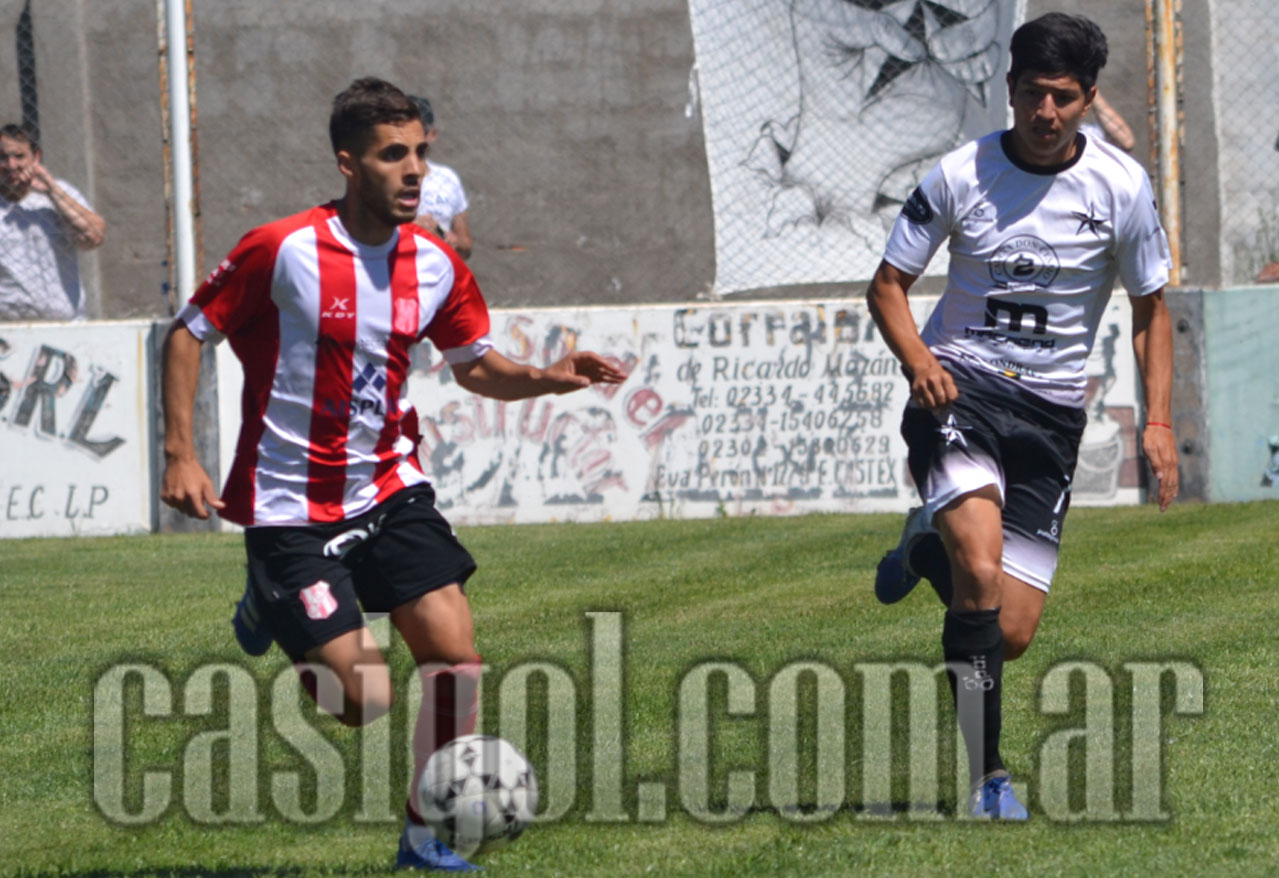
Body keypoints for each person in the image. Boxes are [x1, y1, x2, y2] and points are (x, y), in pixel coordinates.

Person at [160, 77, 626, 870]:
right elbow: (188, 331)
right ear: (348, 163)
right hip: (290, 507)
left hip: (388, 488)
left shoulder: (434, 263)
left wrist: (547, 377)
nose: (414, 171)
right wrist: (181, 452)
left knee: (455, 658)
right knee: (363, 700)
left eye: (419, 153)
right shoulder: (282, 249)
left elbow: (474, 365)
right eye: (391, 155)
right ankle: (273, 604)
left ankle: (421, 839)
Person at [866, 13, 1179, 820]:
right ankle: (988, 780)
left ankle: (924, 549)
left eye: (1063, 97)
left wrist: (1157, 421)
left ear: (1088, 98)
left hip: (1049, 417)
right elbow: (888, 287)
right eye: (1033, 93)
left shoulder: (1120, 187)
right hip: (958, 391)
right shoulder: (959, 174)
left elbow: (1150, 308)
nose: (1045, 112)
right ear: (1008, 89)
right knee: (979, 572)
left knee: (1006, 632)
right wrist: (920, 362)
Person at [0, 123, 106, 320]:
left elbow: (94, 236)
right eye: (3, 158)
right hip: (7, 329)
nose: (11, 165)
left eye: (19, 156)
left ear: (36, 157)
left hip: (64, 325)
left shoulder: (60, 193)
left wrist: (51, 190)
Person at [408, 95, 473, 260]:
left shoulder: (448, 179)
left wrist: (453, 241)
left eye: (420, 132)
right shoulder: (383, 179)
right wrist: (411, 228)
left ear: (432, 134)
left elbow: (466, 245)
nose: (413, 140)